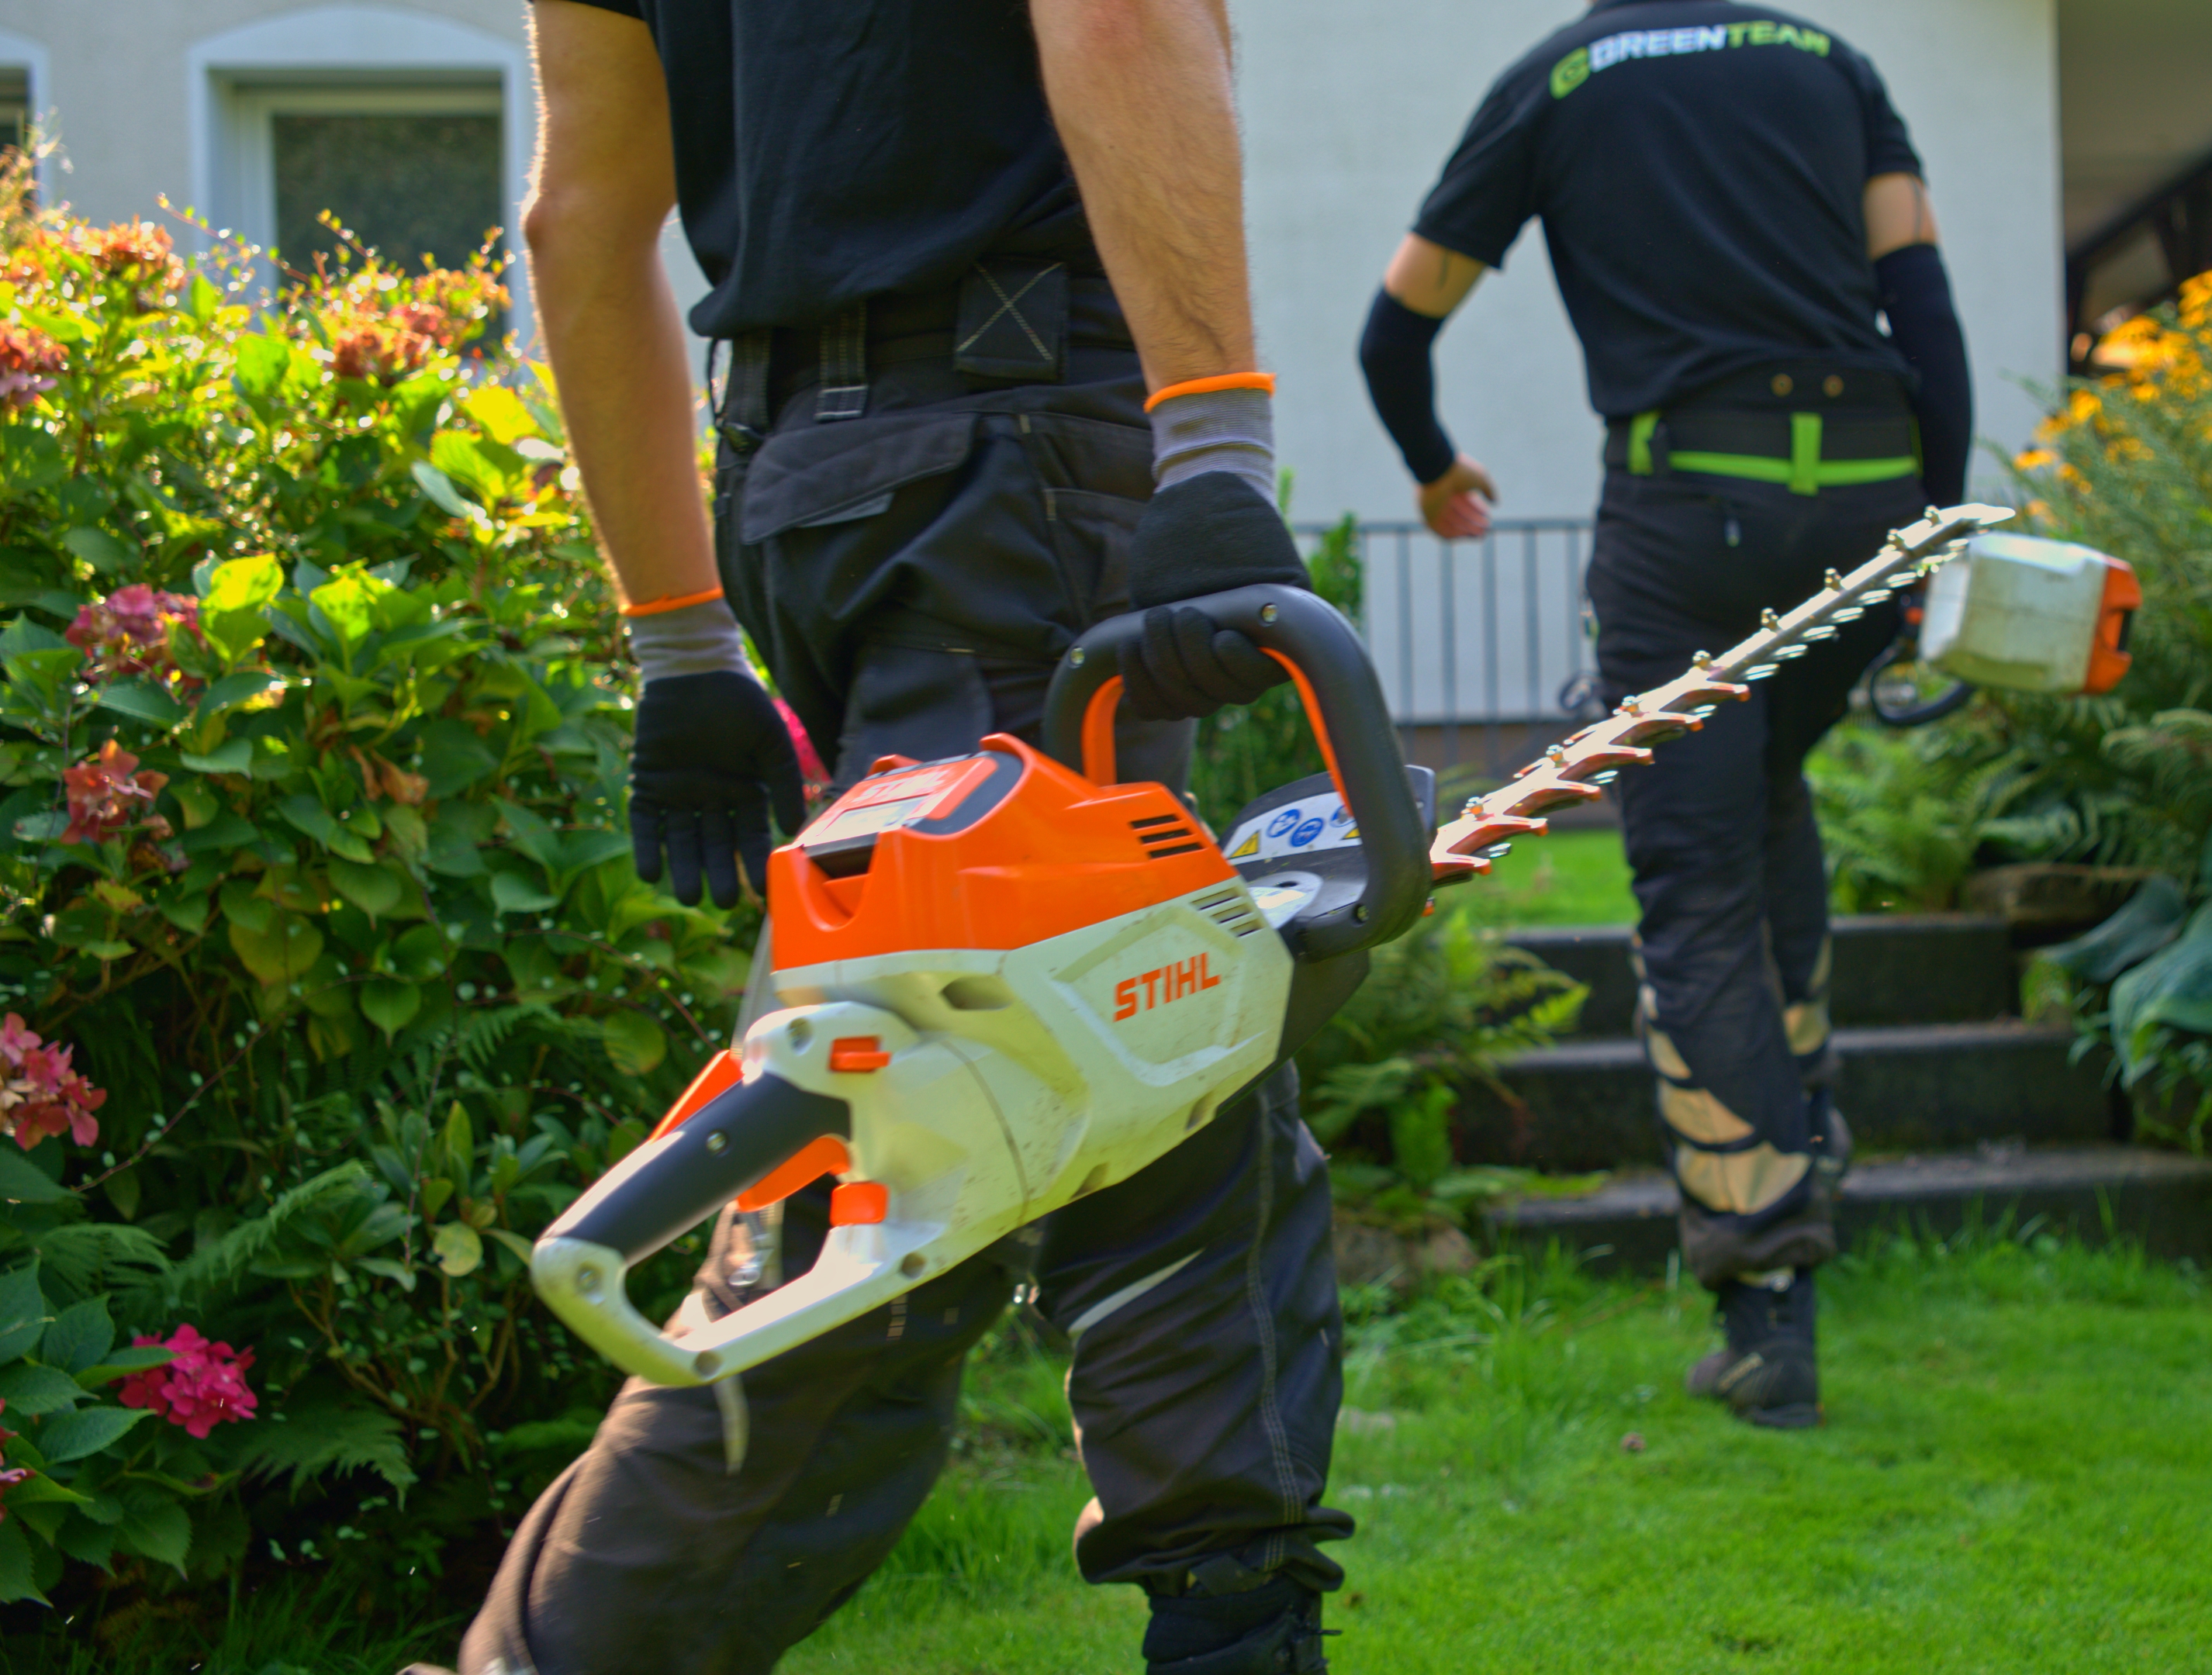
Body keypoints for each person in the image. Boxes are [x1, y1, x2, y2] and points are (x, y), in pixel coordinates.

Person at [414, 5, 1348, 1672]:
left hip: (801, 490)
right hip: (1009, 463)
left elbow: (578, 218)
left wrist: (682, 643)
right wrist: (1212, 446)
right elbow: (1120, 17)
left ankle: (1238, 1616)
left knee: (1133, 1040)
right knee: (928, 1129)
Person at [1360, 0, 1972, 1428]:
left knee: (1694, 880)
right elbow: (1926, 312)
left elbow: (1394, 331)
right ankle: (1801, 1139)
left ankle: (1767, 1302)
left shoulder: (1556, 81)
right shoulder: (1831, 64)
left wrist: (1433, 464)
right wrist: (1928, 536)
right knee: (1761, 800)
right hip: (1866, 498)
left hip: (1688, 514)